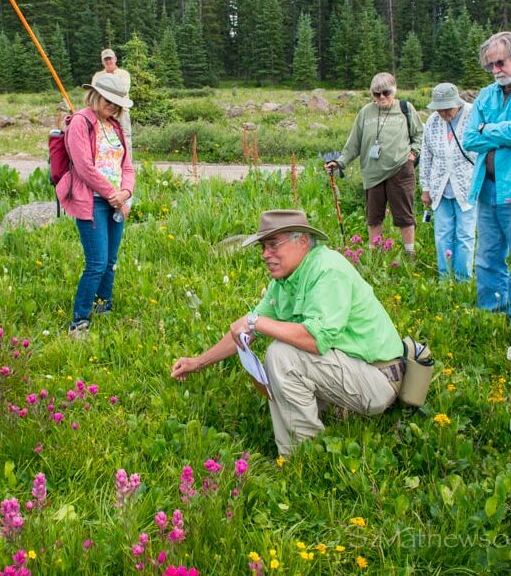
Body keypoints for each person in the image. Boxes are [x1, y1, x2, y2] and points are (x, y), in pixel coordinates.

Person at [171, 210, 407, 457]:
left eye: (274, 245)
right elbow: (247, 329)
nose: (265, 254)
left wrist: (257, 322)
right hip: (354, 368)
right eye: (263, 247)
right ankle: (314, 432)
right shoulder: (285, 281)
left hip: (379, 377)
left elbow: (315, 340)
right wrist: (197, 362)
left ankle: (302, 455)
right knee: (277, 359)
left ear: (302, 241)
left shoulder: (328, 270)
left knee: (282, 355)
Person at [462, 31, 511, 323]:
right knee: (486, 258)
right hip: (487, 187)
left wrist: (488, 130)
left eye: (500, 63)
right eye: (490, 66)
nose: (495, 71)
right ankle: (491, 314)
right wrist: (505, 130)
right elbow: (469, 138)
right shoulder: (486, 95)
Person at [56, 72, 135, 338]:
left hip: (116, 201)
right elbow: (84, 167)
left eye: (117, 103)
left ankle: (104, 307)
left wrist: (125, 192)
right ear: (95, 95)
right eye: (108, 100)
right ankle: (79, 320)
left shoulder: (115, 126)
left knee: (111, 261)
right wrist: (112, 193)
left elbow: (127, 165)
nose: (112, 106)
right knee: (97, 263)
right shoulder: (81, 122)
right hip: (92, 202)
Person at [325, 73, 423, 255]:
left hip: (400, 169)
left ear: (394, 90)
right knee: (374, 217)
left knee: (404, 216)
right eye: (376, 94)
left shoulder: (405, 108)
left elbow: (419, 134)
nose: (382, 97)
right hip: (372, 173)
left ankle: (410, 255)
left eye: (386, 92)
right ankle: (375, 256)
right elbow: (353, 143)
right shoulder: (365, 113)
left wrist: (414, 153)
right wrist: (339, 163)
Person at [419, 83, 477, 281]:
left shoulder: (473, 115)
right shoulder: (433, 122)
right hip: (440, 188)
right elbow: (426, 156)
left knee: (465, 235)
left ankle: (463, 279)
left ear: (457, 103)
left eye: (447, 109)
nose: (443, 113)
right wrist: (425, 188)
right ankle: (445, 278)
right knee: (443, 234)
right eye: (439, 109)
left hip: (467, 188)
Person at [95, 48, 132, 152]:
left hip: (121, 111)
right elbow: (95, 92)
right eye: (105, 59)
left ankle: (127, 165)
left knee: (125, 137)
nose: (108, 61)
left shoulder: (123, 74)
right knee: (103, 137)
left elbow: (123, 91)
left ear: (115, 59)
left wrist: (105, 89)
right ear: (102, 61)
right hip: (102, 112)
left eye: (110, 59)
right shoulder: (98, 75)